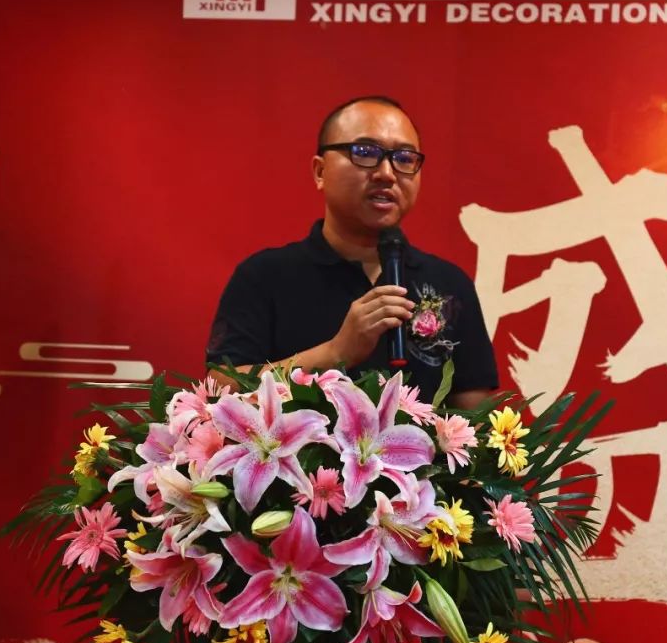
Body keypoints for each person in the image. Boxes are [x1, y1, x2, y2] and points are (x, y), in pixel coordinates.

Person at [205, 96, 498, 409]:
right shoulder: (265, 276)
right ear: (320, 171)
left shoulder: (448, 284)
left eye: (404, 158)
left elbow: (476, 417)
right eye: (366, 153)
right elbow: (220, 388)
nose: (387, 173)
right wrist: (335, 353)